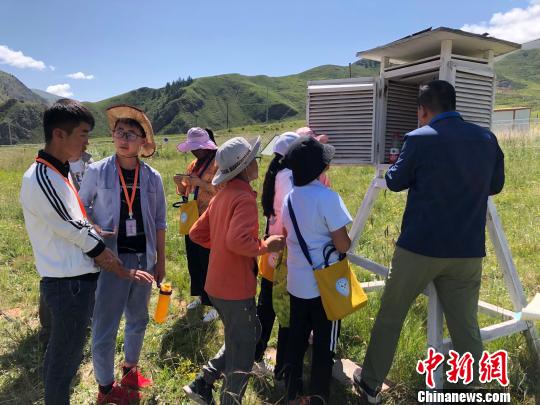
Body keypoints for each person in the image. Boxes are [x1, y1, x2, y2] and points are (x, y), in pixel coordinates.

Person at [353, 80, 505, 404]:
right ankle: (471, 386)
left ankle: (370, 384)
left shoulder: (418, 139)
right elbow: (495, 185)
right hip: (467, 250)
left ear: (422, 110)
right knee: (465, 324)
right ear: (454, 104)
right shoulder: (486, 138)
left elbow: (395, 181)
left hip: (419, 248)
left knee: (392, 315)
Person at [20, 99, 151, 405]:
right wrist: (121, 269)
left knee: (67, 354)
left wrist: (94, 230)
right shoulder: (43, 177)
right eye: (82, 134)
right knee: (64, 359)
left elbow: (77, 221)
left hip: (77, 281)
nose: (87, 142)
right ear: (59, 134)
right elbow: (75, 231)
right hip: (67, 284)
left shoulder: (60, 173)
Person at [183, 137, 285, 405]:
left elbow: (196, 233)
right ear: (245, 166)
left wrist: (221, 248)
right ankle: (229, 399)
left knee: (249, 332)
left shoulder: (221, 196)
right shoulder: (243, 198)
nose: (258, 164)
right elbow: (238, 241)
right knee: (242, 354)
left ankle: (203, 381)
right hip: (235, 289)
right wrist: (266, 245)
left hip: (216, 285)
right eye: (255, 159)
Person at [79, 104, 166, 404]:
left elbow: (160, 222)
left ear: (143, 141)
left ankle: (130, 370)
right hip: (111, 260)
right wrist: (94, 228)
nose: (123, 138)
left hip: (144, 258)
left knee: (138, 318)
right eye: (119, 132)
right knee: (105, 325)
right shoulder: (97, 171)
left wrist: (161, 262)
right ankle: (105, 388)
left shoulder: (152, 177)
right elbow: (80, 208)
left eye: (130, 134)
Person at [281, 136, 353, 404]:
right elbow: (342, 243)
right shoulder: (327, 197)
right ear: (320, 168)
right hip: (324, 286)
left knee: (297, 340)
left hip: (297, 282)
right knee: (324, 345)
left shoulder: (289, 198)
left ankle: (292, 392)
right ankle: (318, 396)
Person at [38, 142, 93, 349]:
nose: (85, 141)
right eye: (80, 134)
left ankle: (82, 323)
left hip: (86, 228)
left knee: (84, 276)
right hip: (62, 231)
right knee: (55, 277)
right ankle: (49, 329)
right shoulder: (51, 166)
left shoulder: (90, 162)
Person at [253, 131, 298, 377]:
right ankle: (282, 368)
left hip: (270, 249)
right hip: (284, 253)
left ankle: (255, 356)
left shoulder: (275, 173)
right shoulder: (290, 177)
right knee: (285, 312)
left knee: (266, 306)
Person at [174, 127, 219, 323]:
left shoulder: (218, 163)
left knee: (209, 260)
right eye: (193, 148)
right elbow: (185, 191)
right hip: (193, 217)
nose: (195, 151)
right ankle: (201, 296)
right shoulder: (193, 164)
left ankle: (216, 303)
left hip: (211, 218)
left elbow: (222, 190)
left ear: (208, 146)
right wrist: (180, 183)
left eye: (198, 148)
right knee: (195, 258)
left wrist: (200, 183)